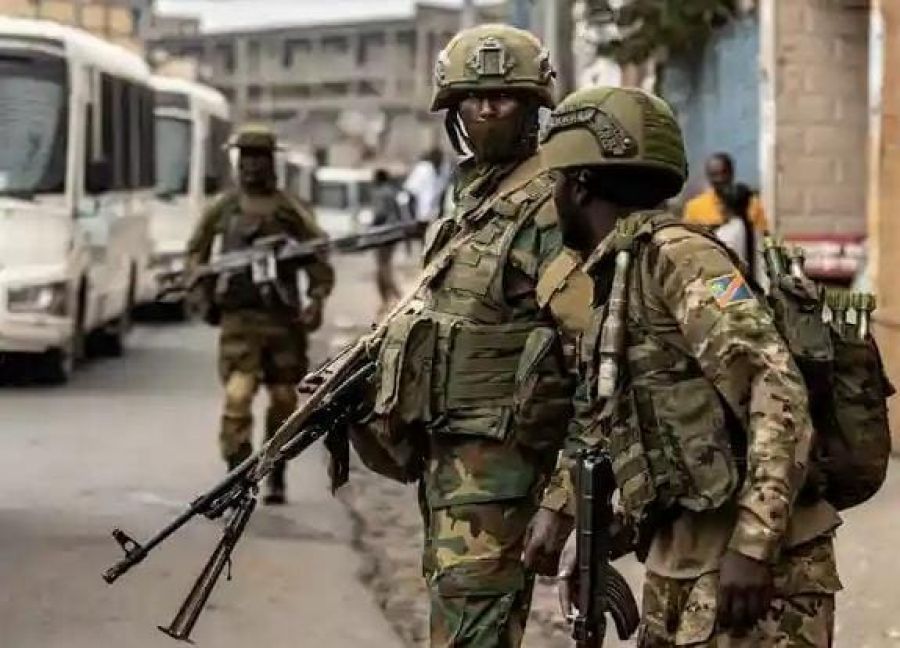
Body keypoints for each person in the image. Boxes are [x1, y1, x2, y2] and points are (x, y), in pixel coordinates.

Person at [537, 87, 842, 646]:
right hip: (681, 560)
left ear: (578, 186)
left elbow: (775, 387)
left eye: (553, 181)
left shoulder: (679, 257)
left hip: (752, 575)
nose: (551, 198)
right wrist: (592, 530)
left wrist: (754, 544)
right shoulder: (622, 270)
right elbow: (633, 422)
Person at [348, 24, 582, 647]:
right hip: (451, 471)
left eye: (503, 97)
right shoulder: (474, 203)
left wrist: (563, 502)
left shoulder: (549, 208)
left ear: (533, 107)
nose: (486, 109)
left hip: (502, 475)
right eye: (473, 98)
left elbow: (596, 363)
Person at [187, 124, 335, 505]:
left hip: (283, 322)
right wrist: (202, 293)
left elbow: (317, 251)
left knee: (284, 400)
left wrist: (316, 297)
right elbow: (196, 252)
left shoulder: (289, 208)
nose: (253, 166)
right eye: (247, 157)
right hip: (240, 322)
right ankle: (237, 474)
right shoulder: (225, 207)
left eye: (260, 157)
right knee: (238, 398)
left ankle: (274, 470)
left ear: (272, 162)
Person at [684, 152, 768, 274]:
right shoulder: (695, 207)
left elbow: (763, 240)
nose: (720, 179)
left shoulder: (751, 204)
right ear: (708, 176)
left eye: (724, 173)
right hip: (710, 274)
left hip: (746, 272)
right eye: (714, 175)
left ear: (732, 173)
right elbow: (688, 246)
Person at [371, 169, 402, 315]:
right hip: (392, 233)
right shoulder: (391, 191)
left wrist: (371, 228)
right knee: (382, 268)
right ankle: (386, 301)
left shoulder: (381, 192)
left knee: (383, 268)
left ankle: (398, 298)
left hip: (384, 234)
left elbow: (380, 214)